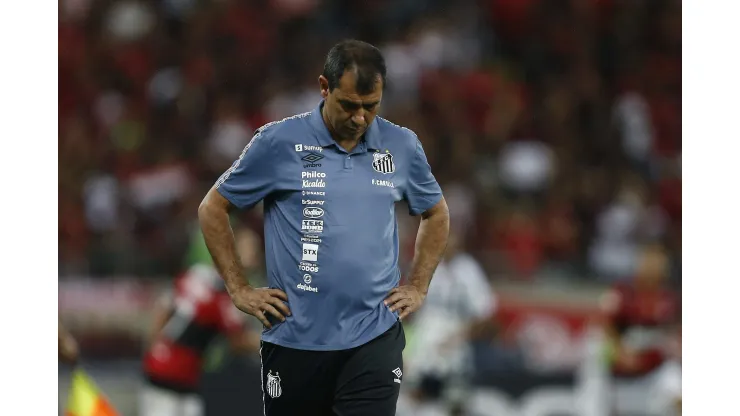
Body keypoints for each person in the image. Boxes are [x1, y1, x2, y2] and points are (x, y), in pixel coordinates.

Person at [198, 39, 450, 416]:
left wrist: (418, 286)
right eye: (349, 105)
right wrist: (239, 288)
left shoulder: (402, 146)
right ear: (324, 87)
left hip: (373, 335)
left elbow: (437, 213)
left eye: (371, 106)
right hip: (295, 337)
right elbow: (213, 208)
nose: (361, 118)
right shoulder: (278, 142)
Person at [139, 227, 264, 416]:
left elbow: (164, 307)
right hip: (167, 378)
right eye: (249, 249)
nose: (255, 256)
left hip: (179, 377)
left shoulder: (200, 274)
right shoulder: (222, 291)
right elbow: (238, 340)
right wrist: (278, 347)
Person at [399, 229, 496, 416]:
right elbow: (407, 310)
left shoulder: (469, 270)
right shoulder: (423, 264)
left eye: (452, 239)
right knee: (413, 395)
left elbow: (485, 315)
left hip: (454, 342)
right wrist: (406, 345)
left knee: (455, 400)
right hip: (424, 340)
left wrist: (458, 337)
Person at [601, 243, 681, 416]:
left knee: (678, 391)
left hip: (658, 367)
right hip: (626, 369)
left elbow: (674, 332)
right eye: (650, 261)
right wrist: (618, 354)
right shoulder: (623, 292)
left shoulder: (670, 298)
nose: (654, 267)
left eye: (659, 263)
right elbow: (605, 328)